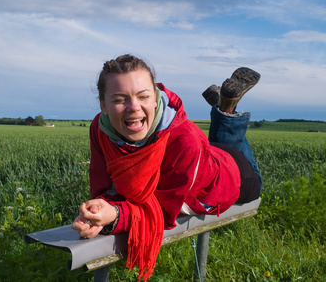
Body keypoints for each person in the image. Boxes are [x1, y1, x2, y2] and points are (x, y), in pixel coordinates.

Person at [71, 54, 262, 281]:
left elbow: (164, 212)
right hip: (201, 157)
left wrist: (115, 215)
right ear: (103, 104)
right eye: (120, 99)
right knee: (212, 146)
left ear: (156, 97)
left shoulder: (185, 140)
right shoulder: (100, 129)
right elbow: (104, 186)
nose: (133, 107)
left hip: (229, 178)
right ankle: (224, 106)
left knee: (244, 165)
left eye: (143, 96)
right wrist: (95, 215)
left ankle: (226, 109)